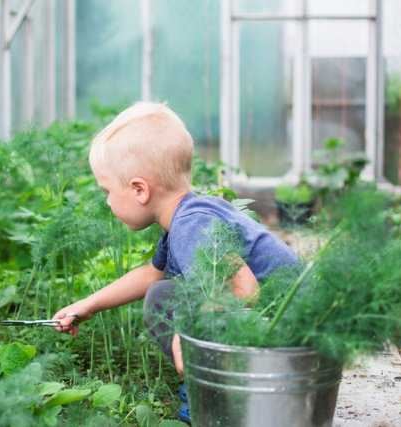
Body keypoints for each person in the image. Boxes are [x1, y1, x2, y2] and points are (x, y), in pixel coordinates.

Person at [52, 101, 299, 420]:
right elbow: (150, 276)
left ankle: (215, 395)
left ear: (139, 189)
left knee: (166, 300)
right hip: (271, 327)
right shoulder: (184, 220)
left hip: (287, 333)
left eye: (107, 191)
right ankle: (210, 386)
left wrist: (190, 332)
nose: (107, 201)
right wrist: (89, 304)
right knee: (162, 293)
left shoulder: (192, 225)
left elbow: (245, 289)